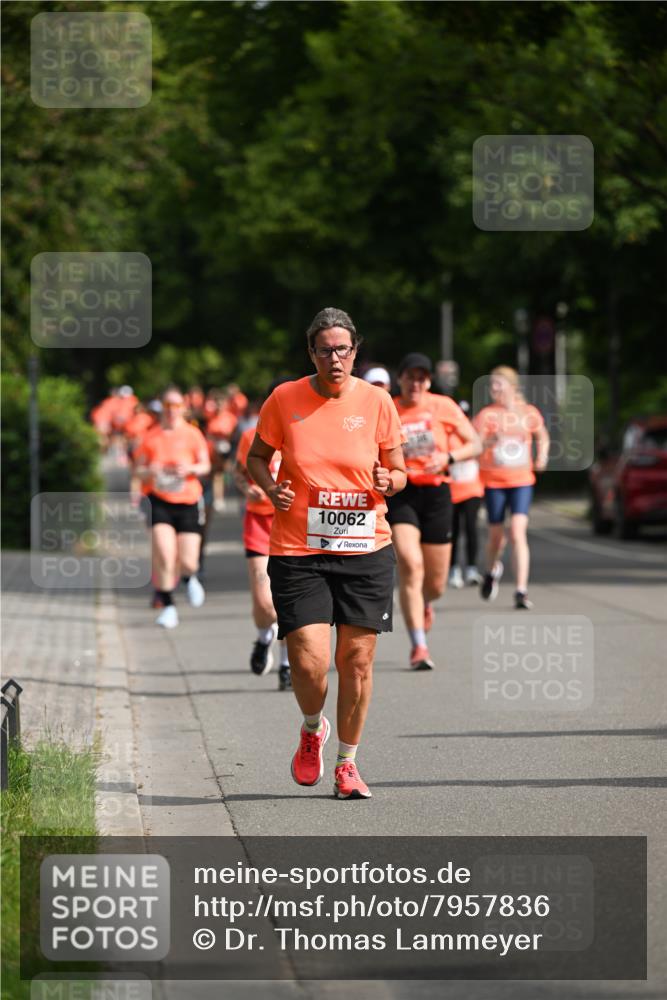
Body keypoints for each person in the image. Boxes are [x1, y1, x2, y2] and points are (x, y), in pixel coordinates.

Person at [247, 307, 406, 799]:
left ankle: (347, 764)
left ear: (355, 351)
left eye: (343, 349)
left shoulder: (378, 402)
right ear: (310, 353)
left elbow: (399, 472)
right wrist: (272, 490)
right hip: (299, 550)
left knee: (356, 661)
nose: (335, 358)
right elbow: (255, 456)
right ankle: (313, 728)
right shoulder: (284, 399)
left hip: (366, 547)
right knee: (311, 661)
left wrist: (390, 480)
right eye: (324, 350)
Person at [387, 353, 481, 670]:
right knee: (410, 565)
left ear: (429, 381)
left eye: (422, 378)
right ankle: (419, 646)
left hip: (438, 492)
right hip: (402, 493)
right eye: (410, 377)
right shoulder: (389, 408)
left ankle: (427, 603)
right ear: (400, 379)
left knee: (436, 583)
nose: (416, 383)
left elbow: (475, 443)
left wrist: (449, 458)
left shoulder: (443, 406)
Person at [473, 365, 550, 609]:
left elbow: (543, 436)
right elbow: (473, 445)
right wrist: (488, 441)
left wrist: (542, 457)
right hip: (494, 481)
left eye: (498, 384)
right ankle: (490, 570)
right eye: (491, 385)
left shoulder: (528, 412)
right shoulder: (486, 415)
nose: (494, 389)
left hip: (521, 480)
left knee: (517, 532)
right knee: (497, 537)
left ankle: (520, 590)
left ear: (512, 387)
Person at [134, 387, 211, 628]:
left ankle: (189, 578)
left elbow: (205, 466)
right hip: (159, 501)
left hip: (188, 500)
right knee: (165, 555)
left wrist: (189, 469)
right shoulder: (151, 436)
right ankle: (168, 606)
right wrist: (150, 471)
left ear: (183, 409)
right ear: (161, 408)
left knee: (189, 561)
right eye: (167, 406)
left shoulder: (192, 434)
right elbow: (137, 470)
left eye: (176, 406)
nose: (171, 411)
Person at [235, 386, 292, 691]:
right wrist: (248, 489)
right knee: (264, 602)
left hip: (292, 522)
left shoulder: (301, 434)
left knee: (286, 597)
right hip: (258, 521)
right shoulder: (250, 437)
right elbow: (237, 473)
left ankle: (285, 664)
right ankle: (263, 637)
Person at [448, 400, 484, 589]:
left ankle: (471, 568)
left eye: (466, 414)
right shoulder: (448, 434)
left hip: (472, 489)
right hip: (452, 489)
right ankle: (453, 569)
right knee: (453, 531)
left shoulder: (473, 433)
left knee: (471, 528)